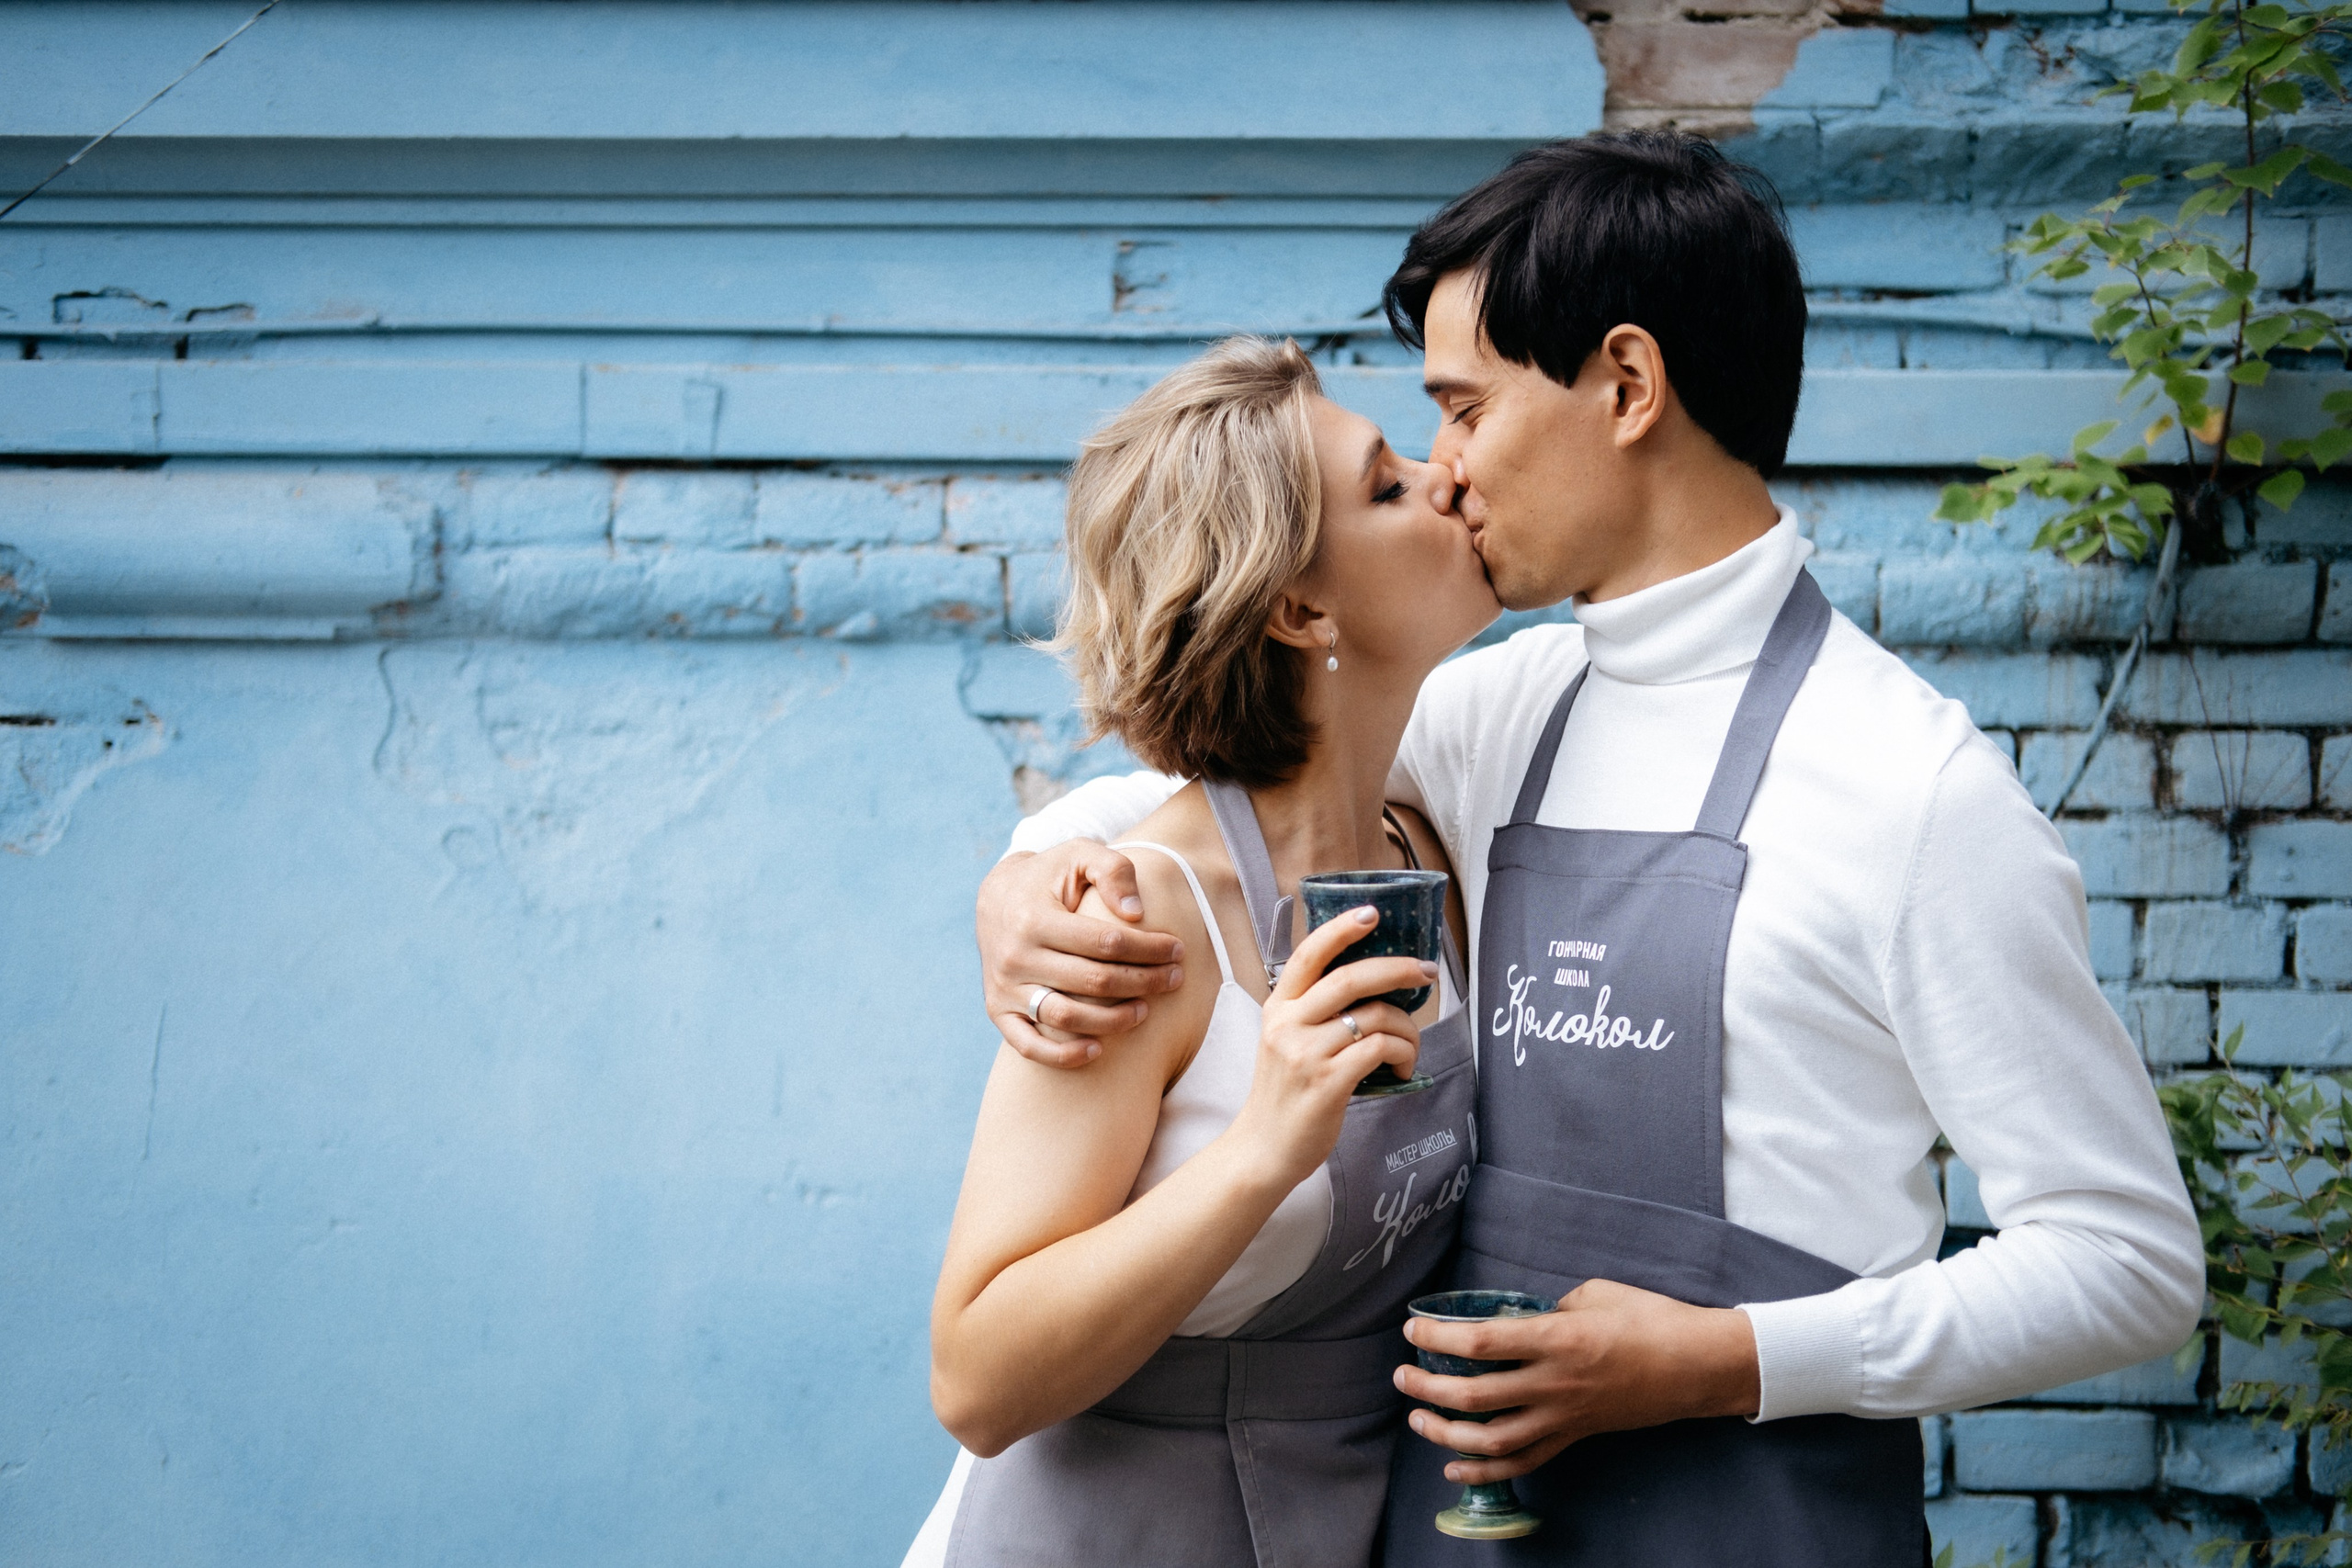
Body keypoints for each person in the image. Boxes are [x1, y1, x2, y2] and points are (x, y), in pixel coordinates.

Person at [973, 132, 2203, 1565]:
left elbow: (2129, 1260)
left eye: (1463, 408)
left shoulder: (1913, 793)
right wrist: (1028, 883)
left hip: (1760, 1526)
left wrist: (1726, 1360)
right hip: (1453, 1535)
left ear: (1626, 385)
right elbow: (1224, 787)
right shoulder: (1495, 714)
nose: (1444, 469)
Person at [905, 335, 1503, 1568]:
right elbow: (975, 1379)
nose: (1445, 476)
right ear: (1300, 609)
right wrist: (1260, 1151)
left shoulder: (1440, 841)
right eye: (1388, 486)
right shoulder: (1139, 929)